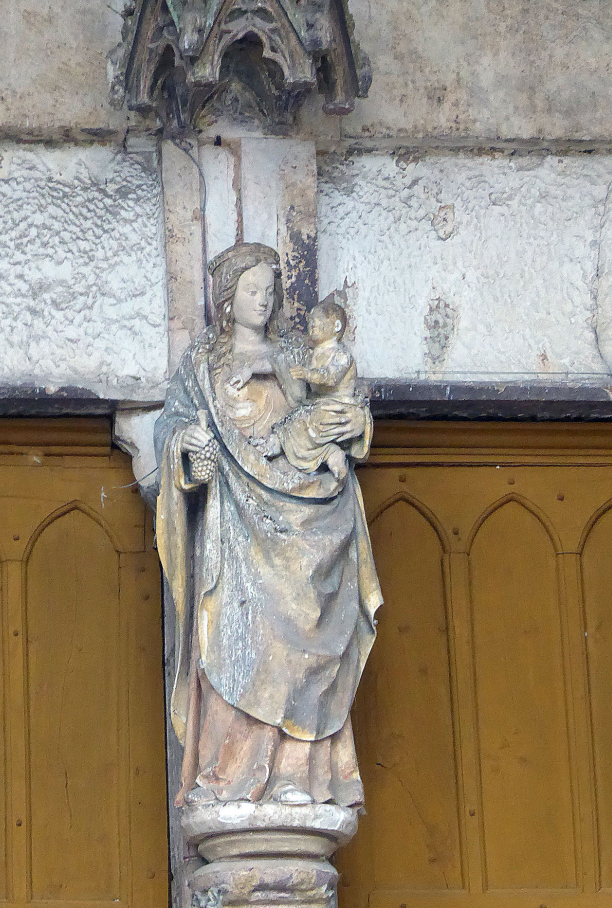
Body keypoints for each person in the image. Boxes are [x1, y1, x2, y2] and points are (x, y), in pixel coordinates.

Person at [154, 242, 382, 807]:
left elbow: (341, 404)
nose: (265, 300)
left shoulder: (296, 354)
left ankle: (298, 776)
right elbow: (172, 427)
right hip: (237, 523)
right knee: (239, 641)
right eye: (253, 291)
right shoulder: (205, 363)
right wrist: (187, 445)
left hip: (310, 518)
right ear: (229, 299)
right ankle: (231, 775)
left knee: (307, 640)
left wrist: (352, 423)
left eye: (271, 291)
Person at [271, 297, 361, 481]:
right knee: (293, 422)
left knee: (305, 423)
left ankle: (332, 457)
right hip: (317, 405)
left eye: (317, 322)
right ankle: (325, 454)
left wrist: (307, 374)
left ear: (336, 326)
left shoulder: (341, 355)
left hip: (337, 408)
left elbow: (330, 376)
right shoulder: (311, 353)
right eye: (310, 322)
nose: (311, 326)